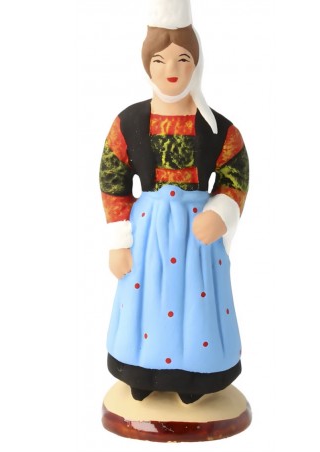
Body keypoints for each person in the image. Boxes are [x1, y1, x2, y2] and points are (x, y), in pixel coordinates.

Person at [100, 8, 249, 405]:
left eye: (182, 59)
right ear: (146, 64)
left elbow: (235, 170)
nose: (171, 70)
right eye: (159, 60)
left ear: (196, 64)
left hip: (196, 236)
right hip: (147, 234)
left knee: (195, 301)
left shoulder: (217, 127)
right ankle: (140, 372)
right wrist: (118, 241)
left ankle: (194, 378)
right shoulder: (128, 123)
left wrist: (221, 211)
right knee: (146, 298)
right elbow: (112, 178)